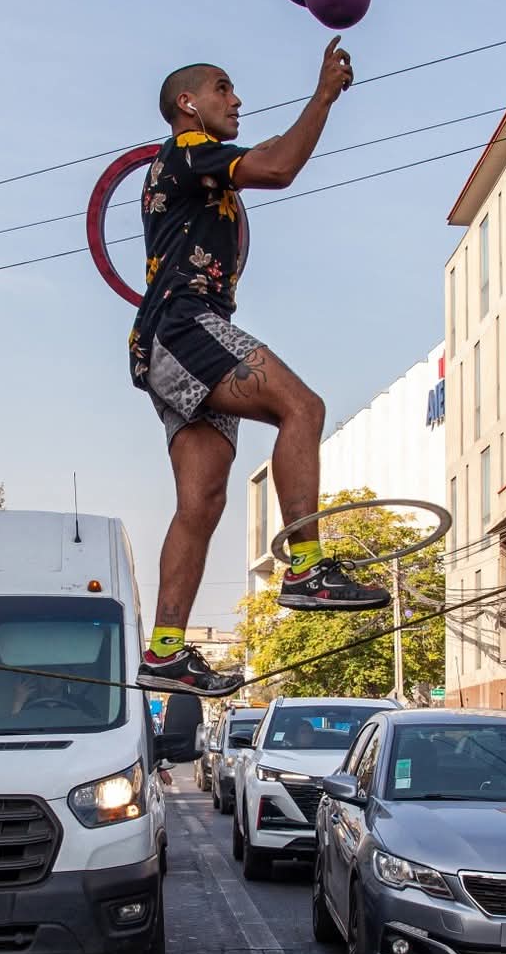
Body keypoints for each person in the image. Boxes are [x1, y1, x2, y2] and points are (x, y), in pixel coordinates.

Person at [129, 42, 390, 696]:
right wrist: (324, 94)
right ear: (188, 103)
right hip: (185, 325)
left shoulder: (200, 165)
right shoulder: (187, 151)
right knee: (302, 408)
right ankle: (305, 568)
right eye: (223, 88)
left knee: (203, 502)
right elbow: (275, 166)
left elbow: (266, 153)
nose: (236, 98)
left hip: (162, 343)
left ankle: (164, 651)